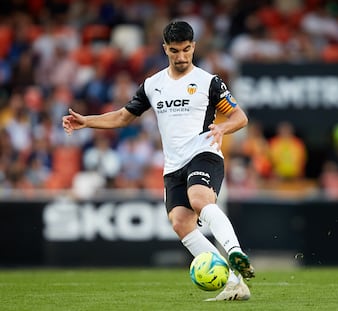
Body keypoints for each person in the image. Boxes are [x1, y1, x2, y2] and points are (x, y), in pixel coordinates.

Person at [62, 20, 254, 301]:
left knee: (200, 199)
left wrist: (223, 128)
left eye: (186, 50)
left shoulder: (208, 82)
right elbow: (123, 116)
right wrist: (87, 121)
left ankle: (235, 251)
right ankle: (235, 282)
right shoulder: (153, 85)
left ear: (193, 47)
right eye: (174, 51)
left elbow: (240, 117)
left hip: (204, 152)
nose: (181, 56)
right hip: (173, 165)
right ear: (165, 48)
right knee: (180, 223)